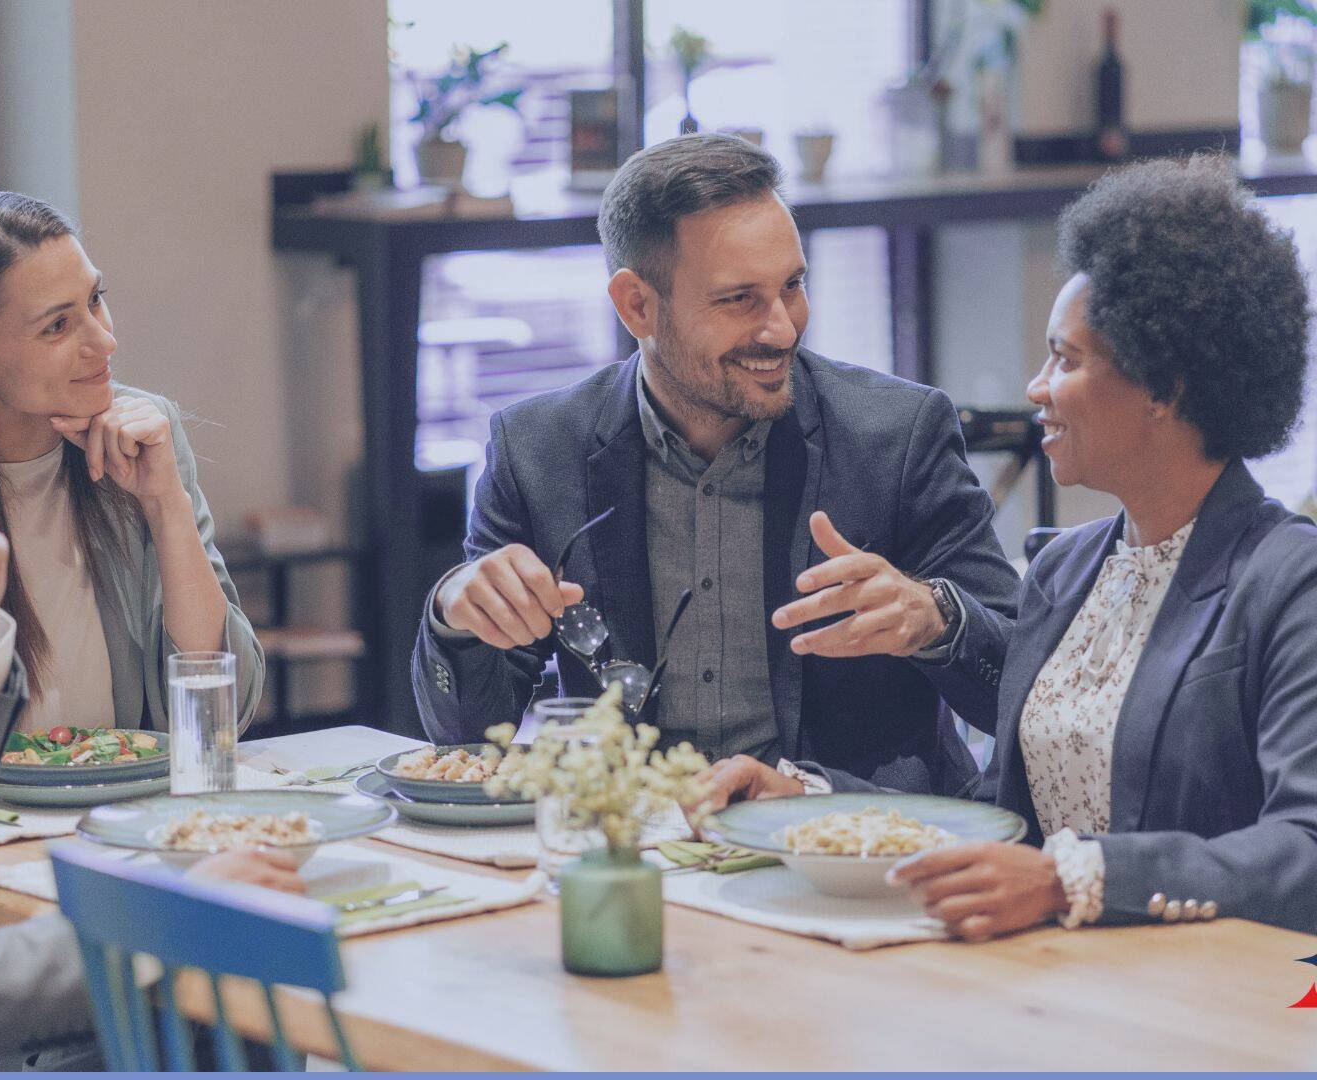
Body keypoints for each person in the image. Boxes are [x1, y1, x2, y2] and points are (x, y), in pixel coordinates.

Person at [706, 157, 1317, 938]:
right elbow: (1000, 825)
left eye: (1065, 359)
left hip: (1207, 1016)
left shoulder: (1289, 579)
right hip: (1043, 989)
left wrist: (1073, 881)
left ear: (1167, 389)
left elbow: (1304, 849)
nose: (1036, 387)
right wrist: (813, 805)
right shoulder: (1065, 570)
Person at [413, 134, 1018, 795]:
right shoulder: (538, 449)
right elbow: (468, 739)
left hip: (848, 846)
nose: (782, 328)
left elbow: (1026, 691)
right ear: (637, 305)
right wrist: (455, 614)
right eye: (740, 300)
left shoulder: (897, 435)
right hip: (632, 844)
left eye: (792, 286)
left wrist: (936, 619)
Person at [0, 259, 303, 1070]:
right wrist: (156, 923)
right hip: (21, 912)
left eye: (96, 304)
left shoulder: (135, 438)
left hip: (135, 837)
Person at [0, 190, 262, 736]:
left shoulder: (147, 435)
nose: (105, 340)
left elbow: (220, 719)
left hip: (120, 810)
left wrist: (166, 507)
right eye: (57, 327)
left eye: (95, 299)